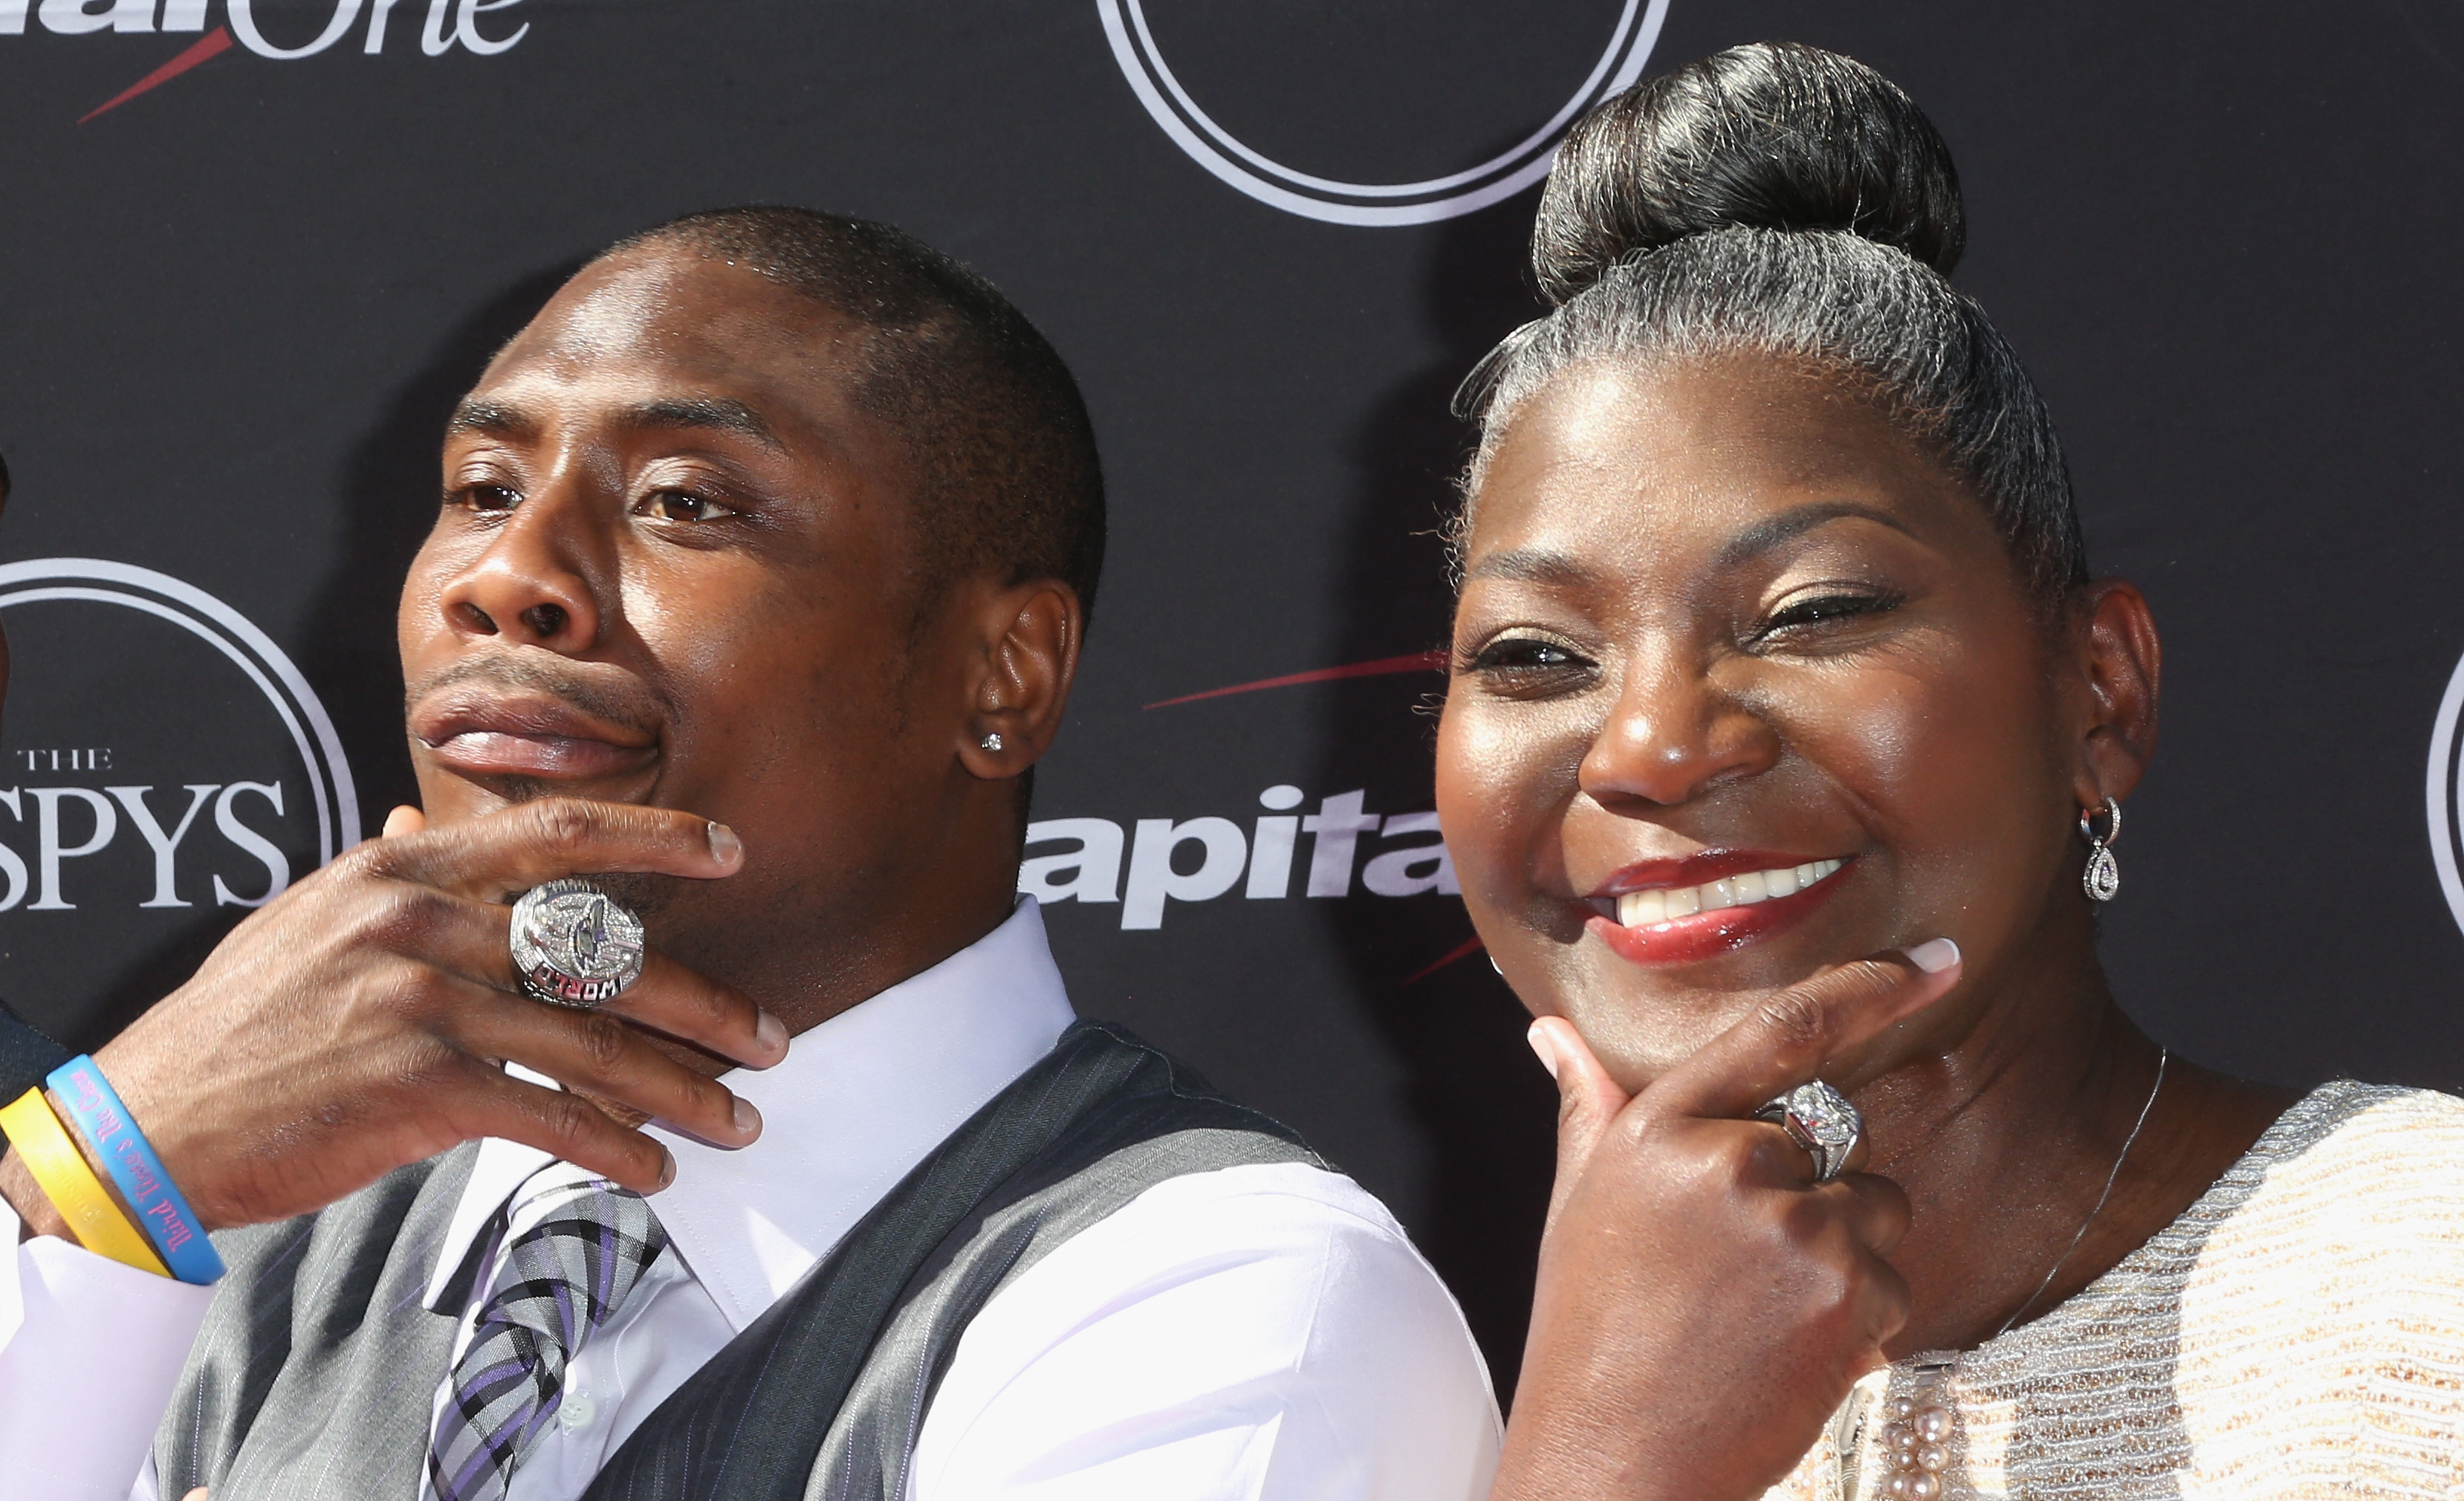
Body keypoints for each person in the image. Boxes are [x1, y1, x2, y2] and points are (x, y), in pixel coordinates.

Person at [0, 208, 1500, 1500]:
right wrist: (112, 1175)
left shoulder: (1224, 1299)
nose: (510, 577)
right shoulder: (234, 1208)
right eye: (480, 488)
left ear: (1004, 676)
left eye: (685, 503)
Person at [1445, 43, 2464, 1500]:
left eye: (1808, 614)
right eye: (1535, 657)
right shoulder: (1460, 1406)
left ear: (2096, 692)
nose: (1649, 750)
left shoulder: (2424, 1291)